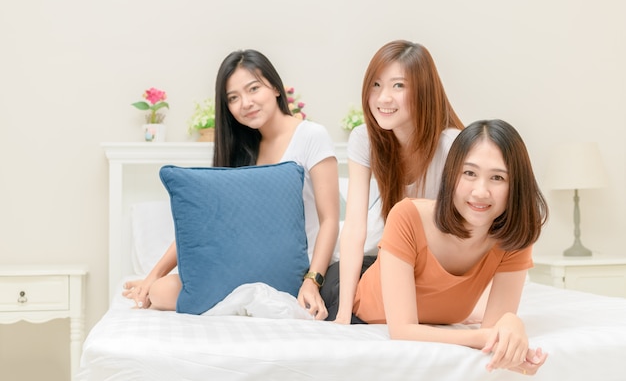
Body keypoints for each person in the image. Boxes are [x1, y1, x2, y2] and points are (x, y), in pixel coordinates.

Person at [123, 49, 339, 320]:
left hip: (295, 267)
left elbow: (330, 219)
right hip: (242, 262)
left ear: (275, 87)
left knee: (166, 291)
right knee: (160, 291)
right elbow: (206, 226)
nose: (245, 103)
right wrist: (151, 276)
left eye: (253, 89)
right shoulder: (241, 150)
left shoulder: (311, 136)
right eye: (233, 98)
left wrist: (312, 280)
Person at [353, 119, 549, 375]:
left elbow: (494, 332)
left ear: (516, 186)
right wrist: (481, 337)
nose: (481, 191)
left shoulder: (515, 236)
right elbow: (401, 331)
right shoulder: (407, 215)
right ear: (452, 175)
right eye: (469, 173)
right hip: (359, 298)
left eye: (498, 178)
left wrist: (513, 324)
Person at [322, 40, 463, 323]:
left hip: (436, 267)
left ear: (423, 90)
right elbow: (354, 229)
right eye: (376, 85)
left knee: (399, 290)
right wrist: (342, 316)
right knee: (334, 286)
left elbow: (469, 233)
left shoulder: (453, 146)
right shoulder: (364, 139)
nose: (383, 98)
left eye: (398, 86)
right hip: (387, 262)